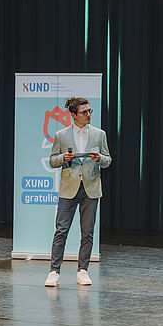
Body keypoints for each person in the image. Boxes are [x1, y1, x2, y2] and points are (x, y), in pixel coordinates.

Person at [44, 97, 112, 287]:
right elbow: (52, 161)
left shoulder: (99, 134)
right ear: (73, 115)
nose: (88, 114)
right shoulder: (61, 135)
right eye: (84, 112)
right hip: (69, 188)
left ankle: (83, 270)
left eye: (90, 111)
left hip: (91, 188)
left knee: (87, 232)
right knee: (61, 231)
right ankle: (54, 271)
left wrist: (100, 159)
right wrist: (63, 157)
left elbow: (108, 160)